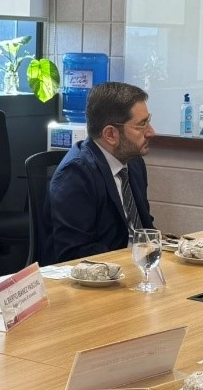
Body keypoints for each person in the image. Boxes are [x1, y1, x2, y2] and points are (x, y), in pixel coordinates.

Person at [45, 82, 156, 264]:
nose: (151, 132)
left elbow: (144, 228)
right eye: (141, 125)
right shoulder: (75, 174)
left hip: (136, 269)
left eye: (148, 121)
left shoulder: (134, 164)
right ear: (110, 134)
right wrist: (130, 258)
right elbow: (74, 254)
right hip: (97, 279)